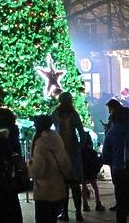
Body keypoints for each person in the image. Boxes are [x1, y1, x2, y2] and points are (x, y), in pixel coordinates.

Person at [28, 115, 71, 223]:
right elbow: (66, 162)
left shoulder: (41, 144)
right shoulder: (56, 138)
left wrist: (29, 167)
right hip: (58, 187)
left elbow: (38, 170)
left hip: (44, 190)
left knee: (43, 219)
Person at [52, 92, 87, 221]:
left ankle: (64, 212)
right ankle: (78, 212)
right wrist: (82, 145)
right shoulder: (74, 114)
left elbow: (51, 128)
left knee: (63, 185)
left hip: (60, 150)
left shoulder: (56, 113)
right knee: (75, 184)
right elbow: (81, 132)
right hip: (73, 151)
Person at [101, 99, 129, 223]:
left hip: (118, 167)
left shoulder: (112, 132)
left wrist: (111, 162)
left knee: (120, 195)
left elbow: (105, 154)